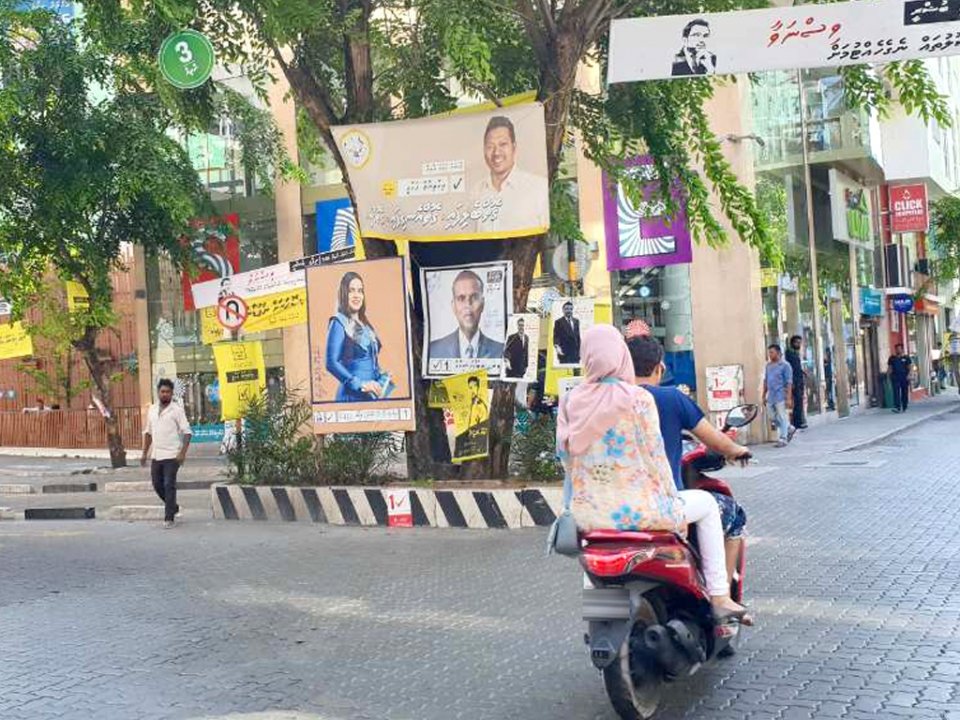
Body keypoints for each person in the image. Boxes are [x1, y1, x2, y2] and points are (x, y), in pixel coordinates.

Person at [556, 324, 750, 622]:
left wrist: (571, 507)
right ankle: (720, 596)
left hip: (590, 516)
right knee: (710, 505)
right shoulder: (638, 399)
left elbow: (566, 459)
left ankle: (600, 620)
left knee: (593, 557)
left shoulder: (571, 400)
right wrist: (670, 503)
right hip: (644, 512)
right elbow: (655, 456)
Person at [627, 333, 749, 584]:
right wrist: (739, 451)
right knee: (732, 515)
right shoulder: (671, 398)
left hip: (614, 509)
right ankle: (720, 597)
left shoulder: (606, 401)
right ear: (660, 367)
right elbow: (716, 440)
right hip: (661, 504)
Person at [472, 116, 549, 233]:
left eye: (503, 144)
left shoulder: (538, 188)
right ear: (484, 150)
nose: (496, 153)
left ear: (514, 147)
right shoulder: (476, 191)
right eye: (490, 146)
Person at [326, 271, 391, 402]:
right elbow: (331, 363)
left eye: (360, 291)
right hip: (352, 396)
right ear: (344, 294)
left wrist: (382, 377)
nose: (357, 295)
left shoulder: (365, 325)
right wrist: (360, 384)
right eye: (351, 291)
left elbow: (370, 359)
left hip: (372, 395)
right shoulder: (338, 322)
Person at [141, 379, 192, 529]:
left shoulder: (176, 410)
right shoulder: (152, 410)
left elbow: (187, 432)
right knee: (157, 485)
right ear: (158, 392)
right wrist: (144, 453)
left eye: (168, 392)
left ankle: (169, 518)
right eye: (162, 391)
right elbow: (148, 433)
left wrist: (182, 453)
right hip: (156, 455)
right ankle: (173, 506)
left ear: (171, 393)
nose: (165, 394)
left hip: (172, 455)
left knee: (169, 484)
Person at [428, 270, 504, 360]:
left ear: (483, 304)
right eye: (461, 298)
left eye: (474, 297)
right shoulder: (434, 351)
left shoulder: (501, 351)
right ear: (453, 306)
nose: (468, 304)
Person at [763, 344, 794, 448]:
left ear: (778, 353)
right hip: (771, 395)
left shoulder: (785, 366)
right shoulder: (768, 366)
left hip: (780, 394)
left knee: (781, 415)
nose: (770, 354)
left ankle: (783, 438)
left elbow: (789, 382)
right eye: (769, 352)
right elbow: (766, 380)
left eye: (772, 352)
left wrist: (789, 398)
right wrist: (764, 394)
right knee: (772, 416)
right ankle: (788, 427)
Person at [784, 335, 808, 430]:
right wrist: (791, 382)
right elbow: (790, 369)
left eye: (800, 343)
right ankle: (796, 422)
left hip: (799, 380)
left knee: (799, 402)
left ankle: (799, 420)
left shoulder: (795, 353)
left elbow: (797, 367)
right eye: (797, 343)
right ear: (792, 343)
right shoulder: (789, 354)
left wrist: (802, 372)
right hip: (794, 381)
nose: (799, 345)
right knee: (797, 402)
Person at [888, 344, 912, 413]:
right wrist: (888, 376)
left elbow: (910, 367)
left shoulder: (906, 358)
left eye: (899, 348)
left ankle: (904, 405)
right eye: (896, 349)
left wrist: (909, 375)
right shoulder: (892, 358)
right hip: (895, 377)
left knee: (904, 392)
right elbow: (890, 368)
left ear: (902, 349)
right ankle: (897, 407)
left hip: (904, 377)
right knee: (896, 392)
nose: (898, 350)